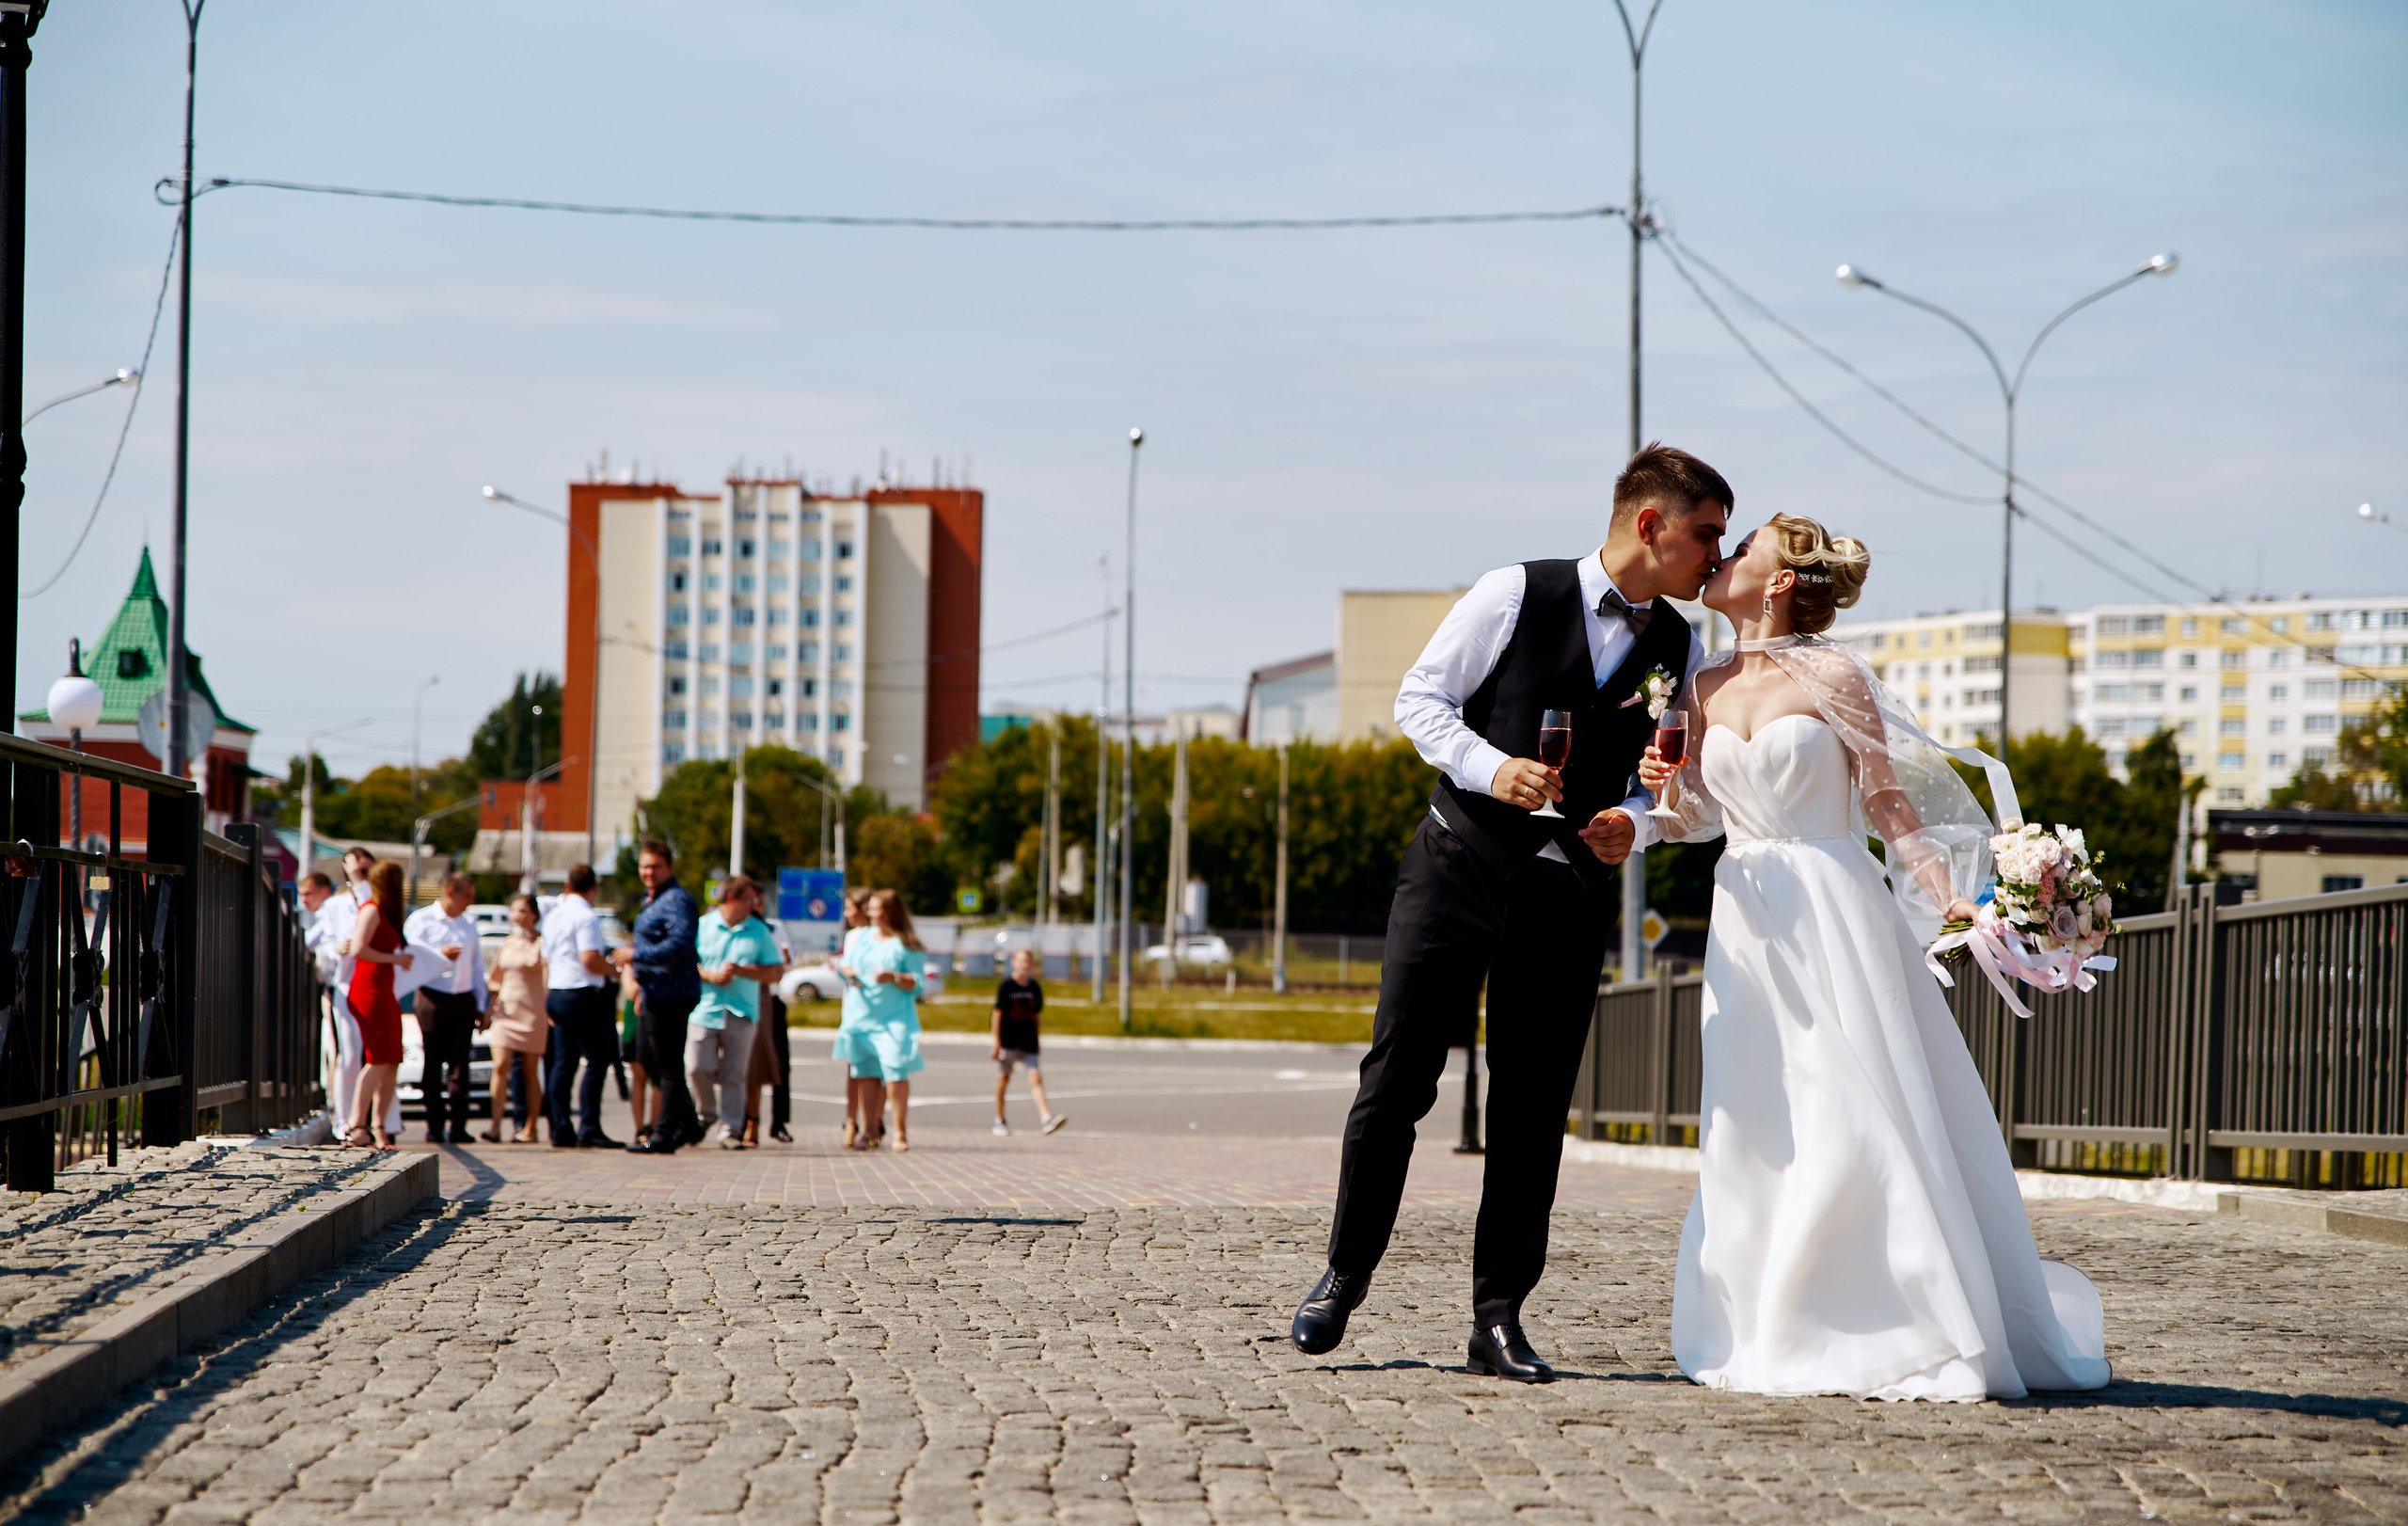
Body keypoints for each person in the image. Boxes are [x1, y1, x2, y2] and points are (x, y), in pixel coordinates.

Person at [1639, 514, 2109, 1401]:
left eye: (1743, 550)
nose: (1724, 557)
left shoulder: (1836, 675)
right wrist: (1637, 818)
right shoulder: (1699, 685)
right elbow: (1696, 815)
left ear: (1779, 580)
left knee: (1849, 1102)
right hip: (1745, 918)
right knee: (1758, 1115)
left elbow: (1889, 807)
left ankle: (1901, 1318)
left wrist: (1956, 902)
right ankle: (1768, 1319)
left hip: (1832, 905)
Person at [1291, 443, 1727, 1382]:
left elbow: (1667, 775)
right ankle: (1342, 1273)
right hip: (1456, 866)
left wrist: (1634, 823)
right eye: (1705, 533)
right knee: (1397, 1080)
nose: (1714, 556)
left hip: (1566, 891)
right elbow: (1420, 699)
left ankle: (1497, 1318)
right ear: (1650, 524)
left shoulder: (1681, 645)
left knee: (1531, 1108)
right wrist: (1495, 769)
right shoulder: (1511, 592)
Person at [613, 839, 705, 1154]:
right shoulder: (653, 898)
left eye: (655, 866)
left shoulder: (677, 900)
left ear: (669, 867)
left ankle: (665, 1134)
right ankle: (689, 1124)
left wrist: (638, 954)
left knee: (665, 1064)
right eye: (644, 866)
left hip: (673, 992)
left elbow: (681, 944)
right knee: (650, 1060)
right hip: (652, 992)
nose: (648, 872)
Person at [687, 874, 786, 1149]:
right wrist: (707, 974)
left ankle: (730, 1130)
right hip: (704, 1009)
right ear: (731, 899)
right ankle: (705, 1114)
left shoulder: (759, 931)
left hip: (742, 1012)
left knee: (734, 1074)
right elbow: (687, 964)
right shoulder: (702, 926)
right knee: (695, 1067)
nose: (753, 905)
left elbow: (775, 972)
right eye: (748, 900)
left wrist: (743, 971)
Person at [404, 871, 490, 1145]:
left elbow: (476, 966)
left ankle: (458, 1127)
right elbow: (409, 956)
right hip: (432, 996)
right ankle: (434, 1125)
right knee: (432, 1063)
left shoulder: (469, 924)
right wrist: (439, 955)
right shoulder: (422, 920)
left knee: (460, 1065)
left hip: (462, 999)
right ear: (451, 893)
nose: (470, 902)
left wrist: (481, 1002)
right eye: (467, 896)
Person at [839, 888, 927, 1152]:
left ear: (889, 912)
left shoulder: (907, 943)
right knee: (865, 1072)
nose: (870, 913)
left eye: (875, 909)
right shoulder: (863, 938)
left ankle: (900, 1131)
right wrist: (848, 972)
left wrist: (895, 977)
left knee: (895, 1070)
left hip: (894, 1018)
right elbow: (845, 963)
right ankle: (869, 1130)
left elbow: (919, 984)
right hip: (861, 1015)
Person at [540, 864, 620, 1148]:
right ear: (593, 888)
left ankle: (560, 1128)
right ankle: (589, 1127)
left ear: (567, 884)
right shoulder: (586, 916)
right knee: (597, 1060)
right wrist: (614, 970)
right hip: (581, 992)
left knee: (563, 1063)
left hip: (557, 993)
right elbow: (590, 959)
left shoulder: (553, 916)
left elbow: (547, 960)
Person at [341, 860, 415, 1149]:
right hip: (368, 989)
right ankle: (357, 1125)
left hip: (384, 990)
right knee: (377, 1058)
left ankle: (380, 1127)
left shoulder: (385, 912)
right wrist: (395, 959)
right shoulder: (371, 909)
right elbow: (359, 949)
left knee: (392, 1058)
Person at [485, 892, 549, 1143]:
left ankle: (531, 1128)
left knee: (530, 1073)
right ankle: (494, 1126)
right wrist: (488, 1009)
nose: (517, 916)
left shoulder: (543, 943)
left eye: (522, 911)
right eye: (514, 911)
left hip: (533, 1012)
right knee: (500, 1067)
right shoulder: (506, 943)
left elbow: (547, 974)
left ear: (533, 914)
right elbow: (495, 978)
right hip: (506, 1011)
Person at [990, 947, 1065, 1137]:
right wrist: (996, 1042)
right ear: (1013, 962)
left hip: (1028, 1040)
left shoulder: (1034, 987)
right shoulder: (1007, 986)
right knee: (1004, 1078)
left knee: (1036, 1077)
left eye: (1029, 961)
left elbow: (1035, 1015)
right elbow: (997, 1014)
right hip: (1008, 1040)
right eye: (1022, 960)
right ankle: (1000, 1120)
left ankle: (1046, 1118)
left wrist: (1037, 1039)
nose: (1026, 964)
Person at [830, 888, 876, 1148]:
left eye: (849, 908)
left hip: (876, 1008)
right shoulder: (851, 936)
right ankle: (851, 1120)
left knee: (875, 1069)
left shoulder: (881, 935)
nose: (846, 914)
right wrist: (842, 969)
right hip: (853, 1007)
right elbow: (844, 965)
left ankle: (873, 1123)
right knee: (853, 1067)